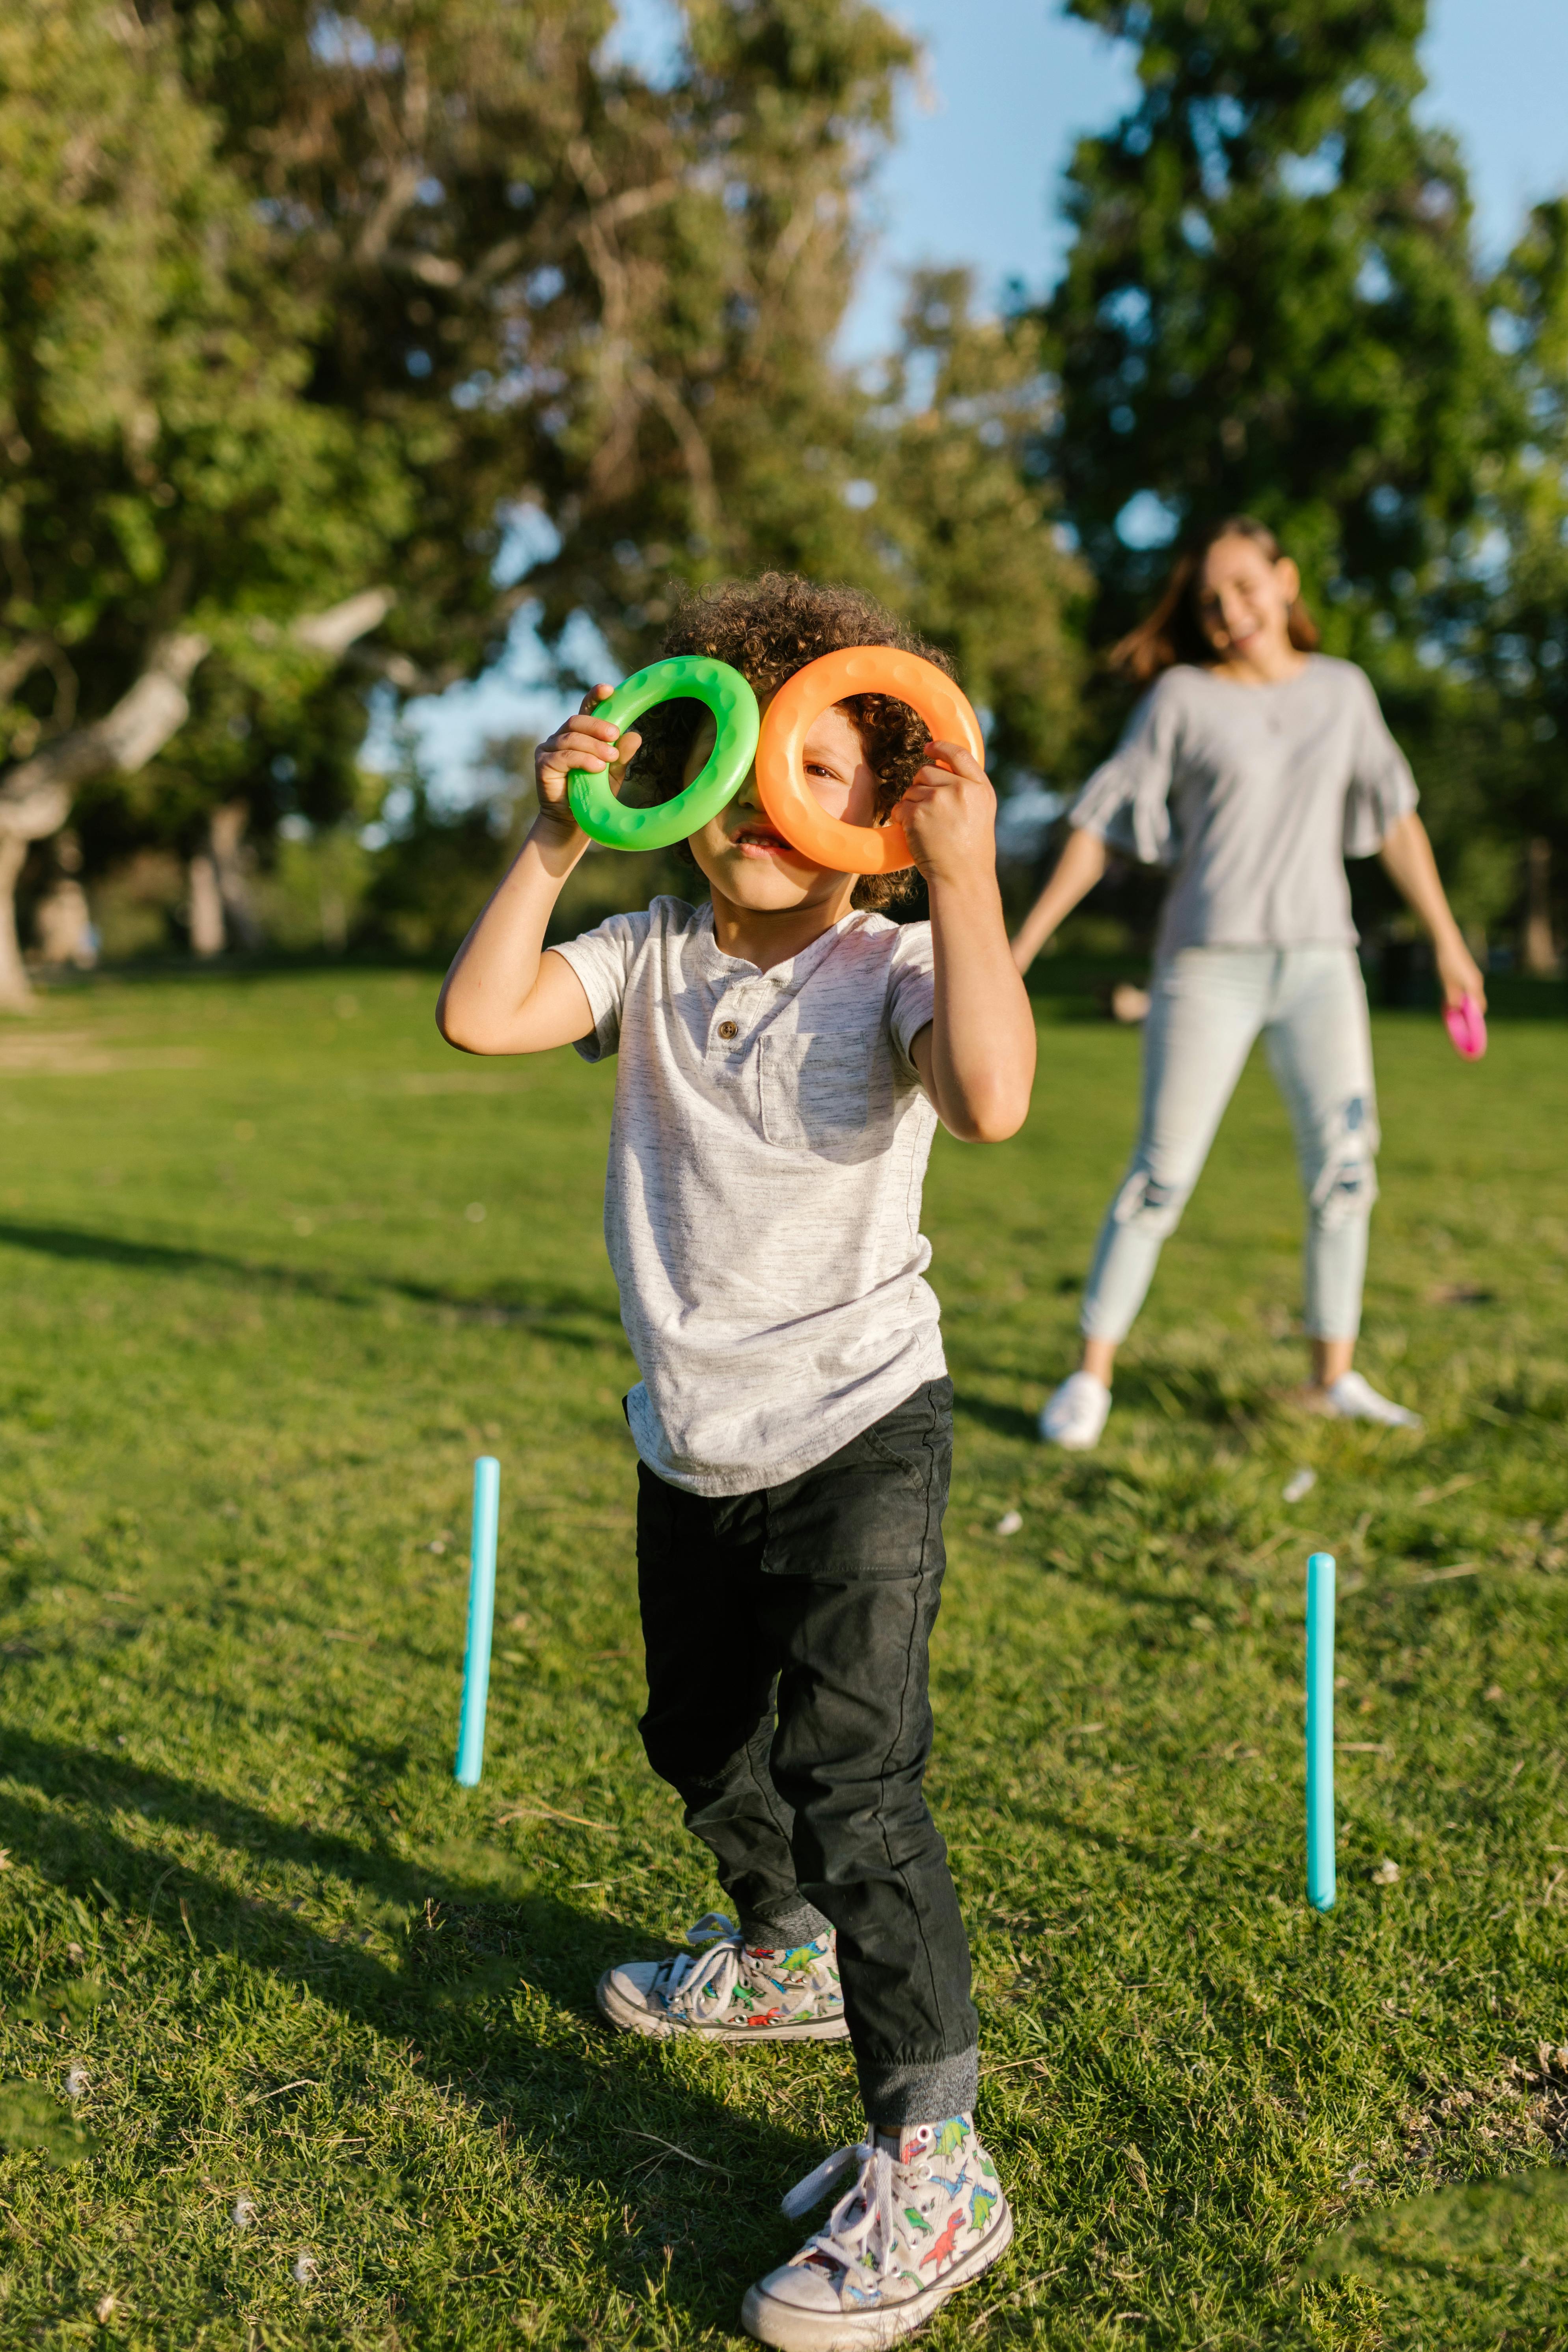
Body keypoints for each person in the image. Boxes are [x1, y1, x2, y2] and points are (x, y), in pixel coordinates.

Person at [437, 574, 1032, 2349]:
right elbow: (481, 1014)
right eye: (741, 765)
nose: (769, 806)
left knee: (853, 1779)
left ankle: (935, 2157)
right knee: (697, 1735)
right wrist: (548, 842)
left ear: (888, 812)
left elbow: (993, 1100)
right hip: (687, 1431)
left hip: (859, 1418)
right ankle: (777, 1946)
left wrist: (970, 873)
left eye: (821, 772)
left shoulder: (902, 964)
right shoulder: (641, 957)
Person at [1011, 516, 1484, 1453]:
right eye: (1211, 600)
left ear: (1286, 578)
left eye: (1244, 586)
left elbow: (1397, 821)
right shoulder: (1183, 698)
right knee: (1162, 1173)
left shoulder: (1344, 694)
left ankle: (1332, 1375)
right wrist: (1018, 949)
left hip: (1320, 963)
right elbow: (1100, 826)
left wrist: (1449, 942)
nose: (1230, 610)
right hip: (1206, 967)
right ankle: (1089, 1375)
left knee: (1347, 1170)